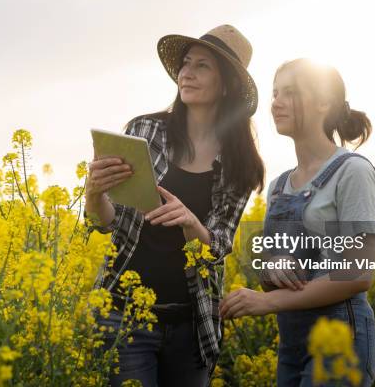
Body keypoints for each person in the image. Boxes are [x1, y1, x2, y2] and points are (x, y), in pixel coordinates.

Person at [85, 25, 265, 386]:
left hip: (191, 323)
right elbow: (108, 223)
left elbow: (219, 246)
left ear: (226, 84)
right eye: (185, 64)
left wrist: (190, 224)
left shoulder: (242, 164)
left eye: (202, 66)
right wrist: (94, 193)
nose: (187, 73)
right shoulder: (144, 131)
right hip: (124, 315)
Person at [220, 58, 375, 386]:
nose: (276, 102)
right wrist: (271, 270)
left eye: (290, 93)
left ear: (324, 102)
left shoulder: (353, 172)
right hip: (292, 344)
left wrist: (267, 301)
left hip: (341, 341)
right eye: (275, 93)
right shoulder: (279, 186)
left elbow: (358, 274)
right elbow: (272, 273)